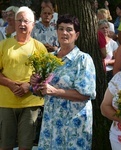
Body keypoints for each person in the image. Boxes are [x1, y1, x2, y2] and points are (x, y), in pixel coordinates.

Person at [30, 14, 96, 149]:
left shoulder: (83, 59)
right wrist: (36, 85)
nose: (64, 32)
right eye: (61, 28)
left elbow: (85, 94)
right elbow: (42, 92)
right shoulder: (49, 58)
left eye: (69, 29)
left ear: (76, 35)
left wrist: (54, 91)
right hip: (51, 122)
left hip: (74, 123)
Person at [0, 6, 47, 150]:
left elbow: (46, 76)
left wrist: (29, 86)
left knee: (26, 145)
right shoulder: (3, 45)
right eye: (19, 20)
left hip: (31, 103)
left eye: (26, 21)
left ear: (33, 25)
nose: (22, 24)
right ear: (14, 22)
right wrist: (9, 84)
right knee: (5, 145)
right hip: (6, 102)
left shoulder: (39, 48)